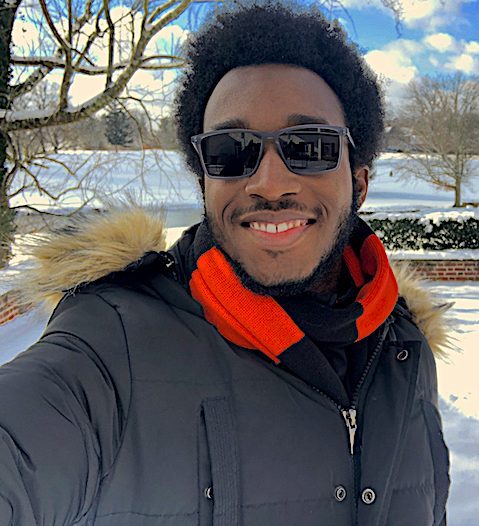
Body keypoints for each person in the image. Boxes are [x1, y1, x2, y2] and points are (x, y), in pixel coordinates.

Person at [0, 4, 450, 525]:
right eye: (232, 152)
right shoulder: (112, 342)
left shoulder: (405, 348)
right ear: (205, 184)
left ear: (360, 183)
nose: (269, 182)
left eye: (310, 146)